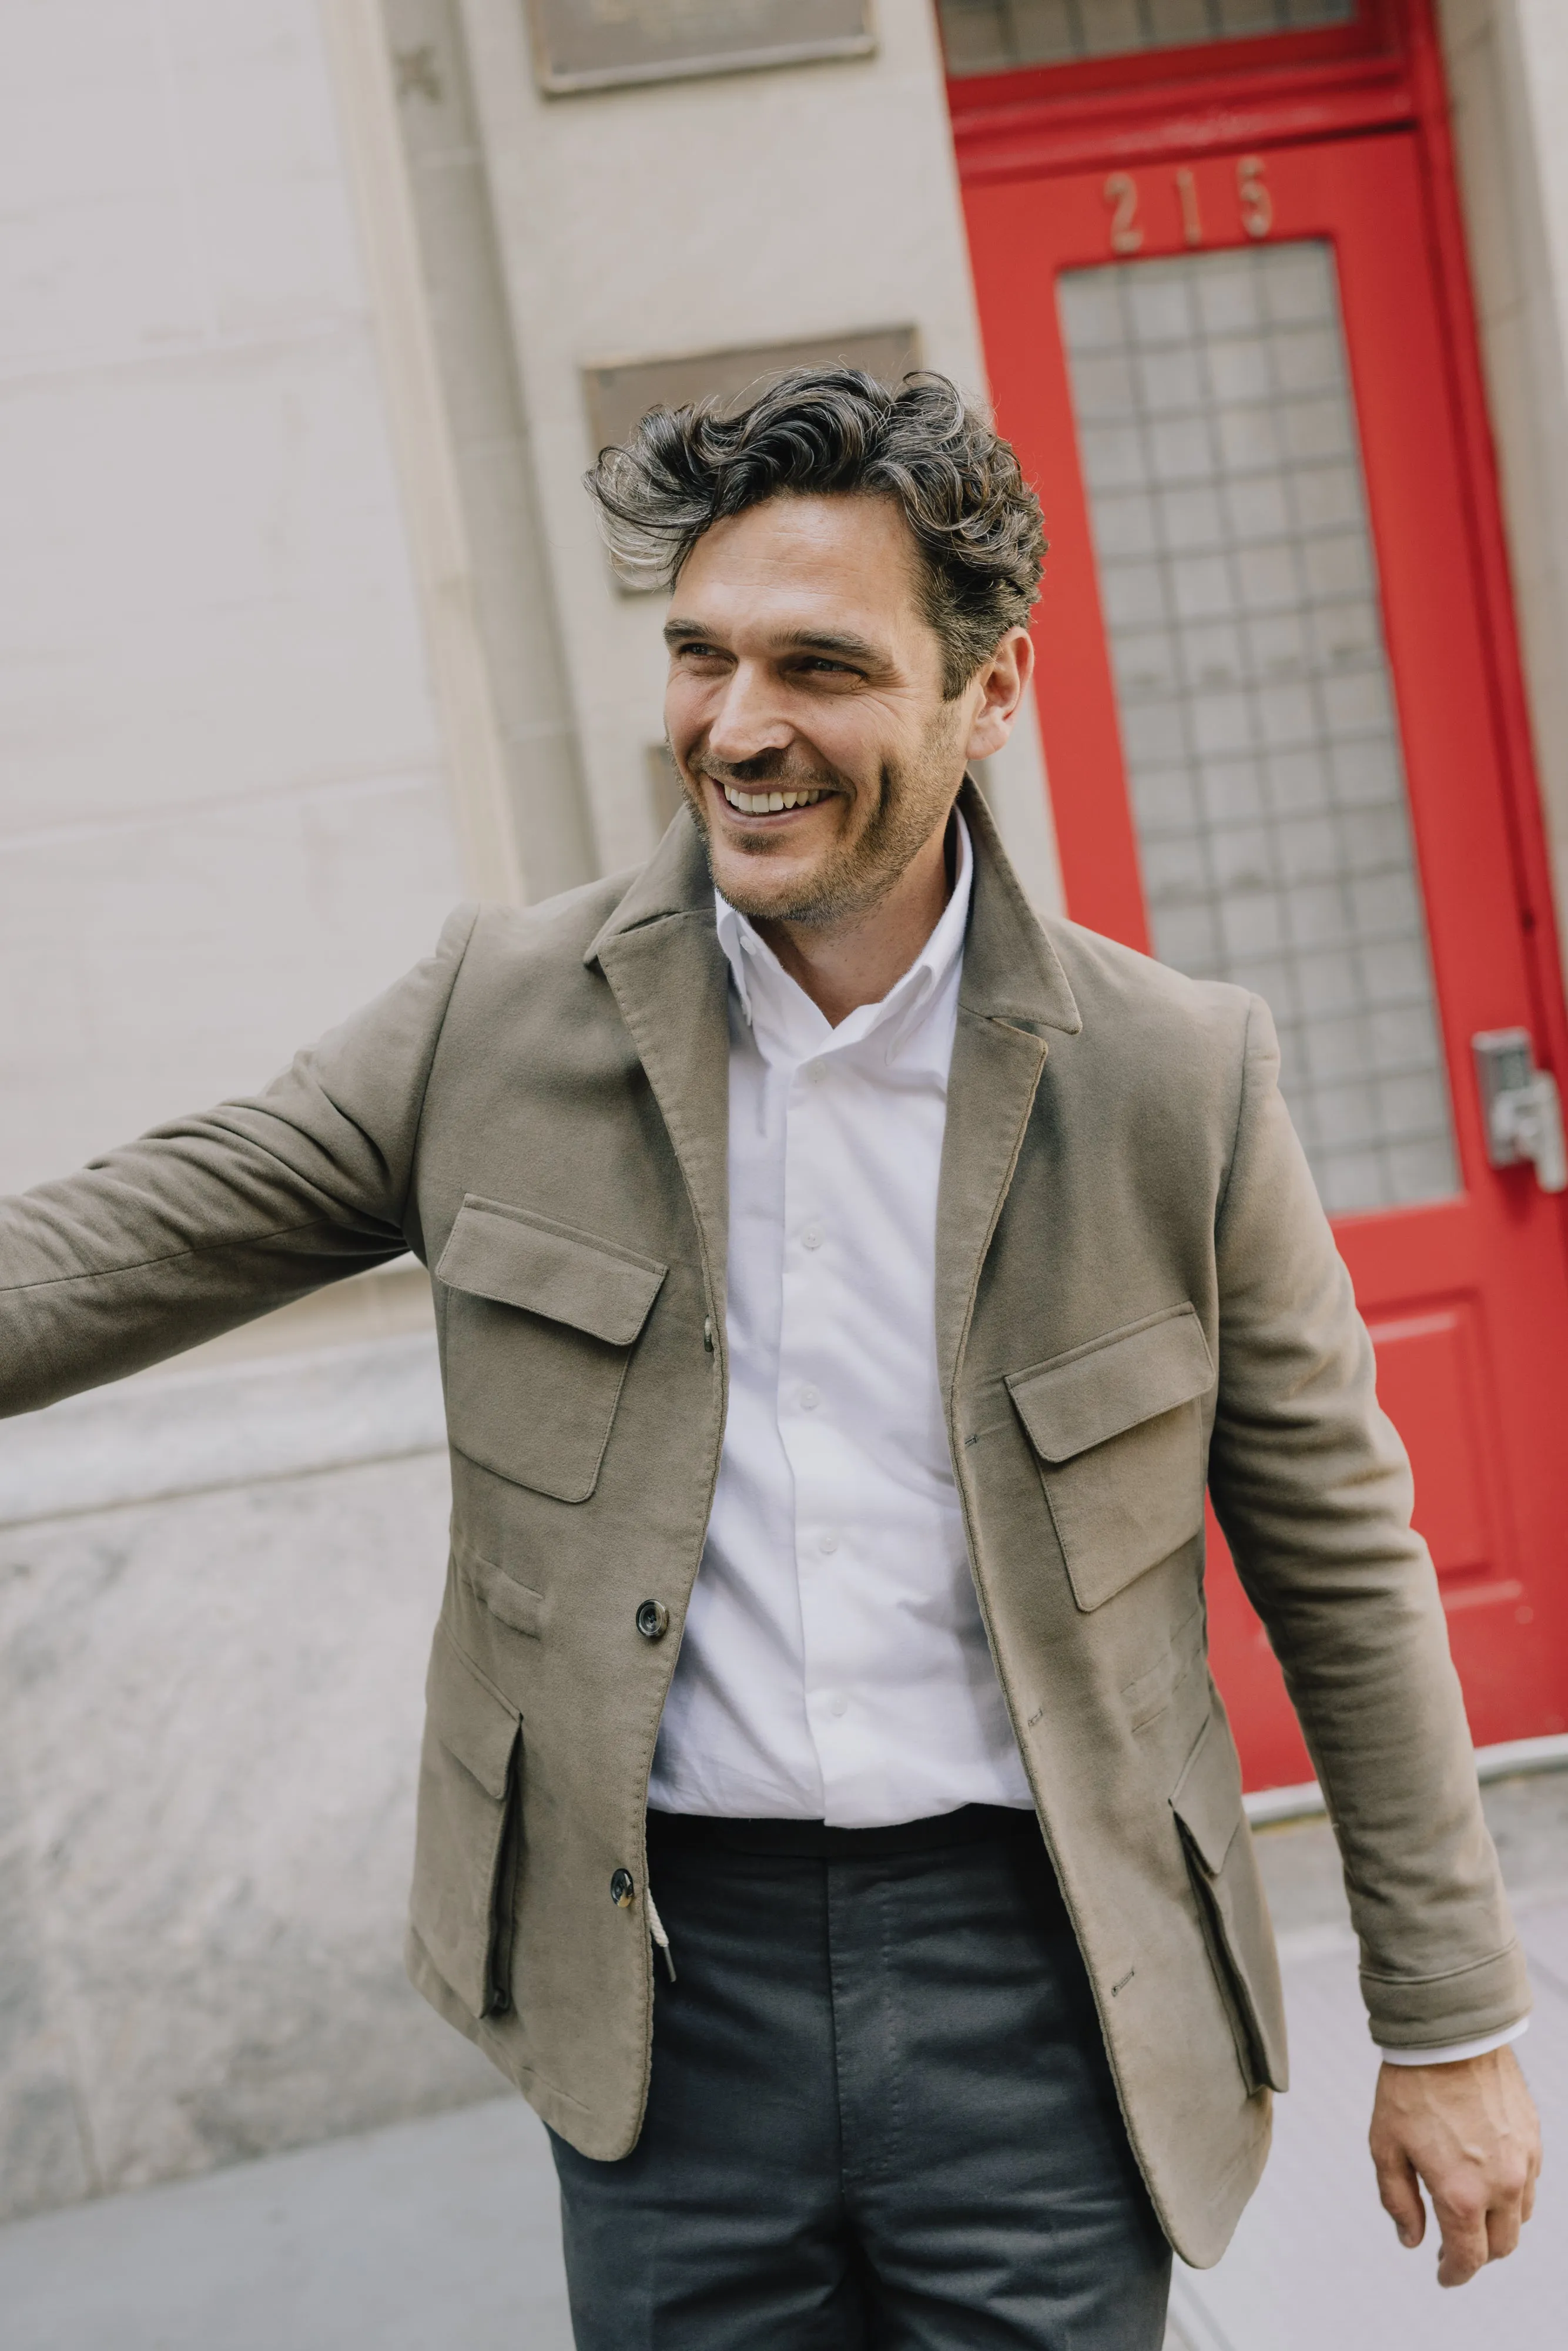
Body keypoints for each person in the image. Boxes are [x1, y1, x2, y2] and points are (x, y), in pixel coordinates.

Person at [0, 369, 1540, 2347]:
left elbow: (1340, 1561)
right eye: (700, 658)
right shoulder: (492, 1017)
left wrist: (1449, 2020)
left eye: (819, 667)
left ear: (989, 694)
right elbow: (127, 1238)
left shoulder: (1177, 1083)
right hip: (657, 1990)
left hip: (1044, 1977)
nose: (738, 729)